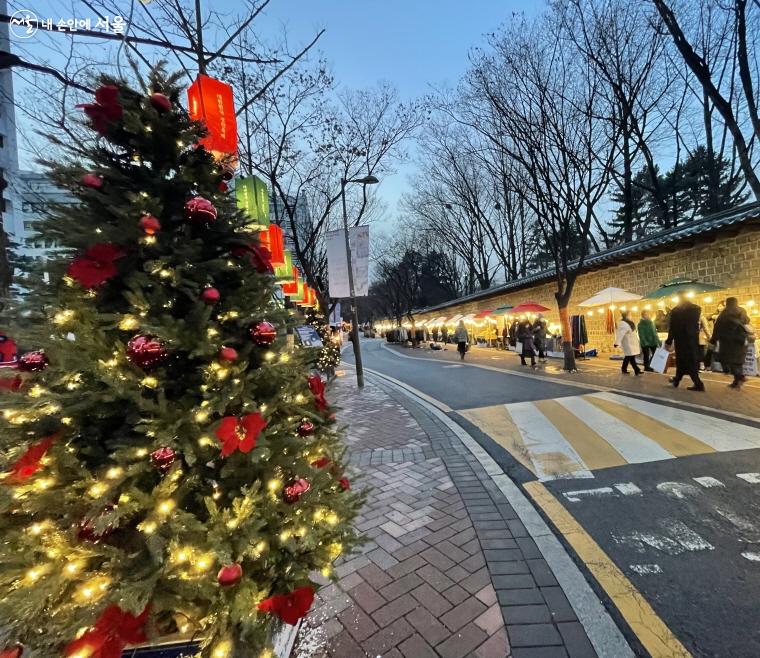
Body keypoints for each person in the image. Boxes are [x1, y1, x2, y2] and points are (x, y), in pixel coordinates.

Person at [710, 297, 751, 389]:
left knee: (727, 360)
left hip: (727, 342)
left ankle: (739, 377)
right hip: (741, 340)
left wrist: (713, 339)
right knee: (738, 362)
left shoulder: (724, 313)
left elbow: (717, 328)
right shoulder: (741, 310)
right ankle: (737, 381)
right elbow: (747, 321)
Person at [666, 298, 705, 391]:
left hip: (681, 340)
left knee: (683, 361)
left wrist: (669, 340)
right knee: (689, 360)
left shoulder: (676, 311)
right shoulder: (696, 310)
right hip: (692, 340)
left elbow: (673, 327)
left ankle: (698, 383)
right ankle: (677, 379)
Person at [615, 311, 642, 375]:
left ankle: (627, 369)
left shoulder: (629, 323)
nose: (630, 316)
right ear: (626, 316)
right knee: (629, 356)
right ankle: (636, 369)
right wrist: (617, 342)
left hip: (632, 342)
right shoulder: (623, 324)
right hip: (628, 343)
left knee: (630, 357)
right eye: (629, 315)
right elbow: (620, 334)